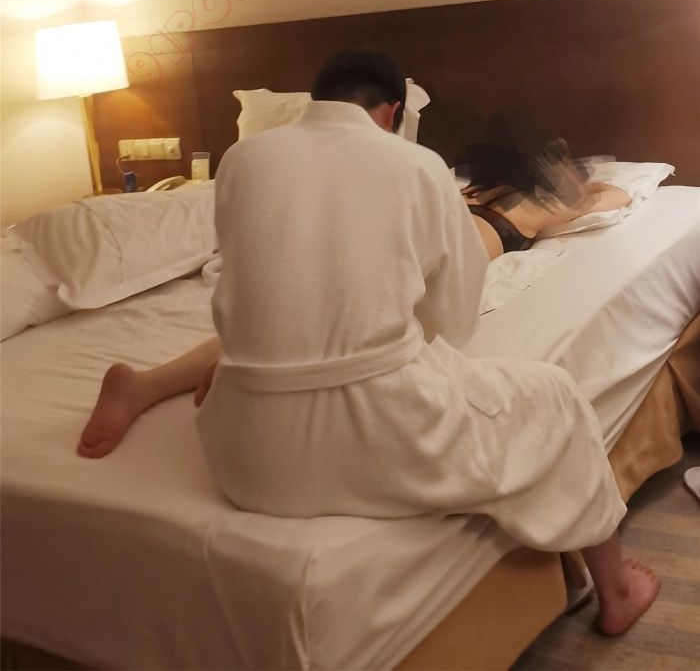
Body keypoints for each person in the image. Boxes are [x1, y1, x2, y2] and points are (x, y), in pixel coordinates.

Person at [78, 50, 658, 636]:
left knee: (306, 307)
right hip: (375, 439)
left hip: (246, 459)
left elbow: (249, 284)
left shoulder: (241, 160)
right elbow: (452, 325)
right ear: (391, 112)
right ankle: (616, 590)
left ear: (316, 100)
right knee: (555, 395)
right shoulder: (421, 167)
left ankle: (160, 382)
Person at [455, 114, 633, 260]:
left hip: (454, 232)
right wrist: (588, 187)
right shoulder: (537, 205)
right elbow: (620, 197)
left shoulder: (473, 189)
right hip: (466, 251)